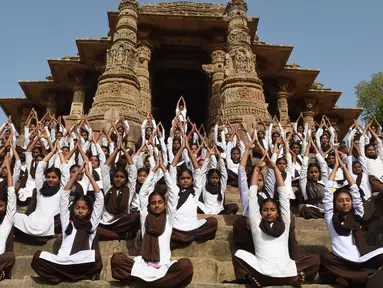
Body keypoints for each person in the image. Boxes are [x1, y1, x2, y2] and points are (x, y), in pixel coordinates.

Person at [111, 153, 194, 287]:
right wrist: (153, 171)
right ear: (149, 206)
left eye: (160, 202)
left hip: (163, 265)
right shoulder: (145, 217)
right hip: (142, 264)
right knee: (117, 259)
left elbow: (173, 194)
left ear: (165, 205)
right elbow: (143, 193)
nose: (156, 205)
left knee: (186, 265)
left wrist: (165, 171)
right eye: (153, 203)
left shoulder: (169, 218)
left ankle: (143, 283)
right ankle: (159, 284)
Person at [232, 153, 306, 287]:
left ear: (278, 213)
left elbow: (283, 195)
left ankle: (288, 279)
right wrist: (256, 170)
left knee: (314, 259)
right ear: (260, 212)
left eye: (272, 210)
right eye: (265, 210)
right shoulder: (256, 223)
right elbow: (252, 195)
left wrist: (275, 168)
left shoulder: (285, 223)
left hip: (284, 266)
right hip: (262, 268)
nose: (269, 213)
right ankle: (286, 279)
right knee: (238, 254)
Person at [31, 162, 104, 283]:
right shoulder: (66, 222)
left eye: (84, 208)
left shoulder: (92, 224)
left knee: (95, 257)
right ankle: (71, 276)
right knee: (38, 256)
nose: (80, 211)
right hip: (63, 261)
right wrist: (75, 176)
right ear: (73, 209)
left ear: (89, 210)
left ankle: (63, 276)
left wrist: (89, 176)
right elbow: (64, 195)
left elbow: (100, 199)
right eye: (77, 208)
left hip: (81, 261)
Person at [320, 151, 383, 288]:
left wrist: (344, 168)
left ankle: (352, 279)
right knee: (325, 259)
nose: (345, 203)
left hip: (361, 259)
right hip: (341, 261)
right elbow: (327, 193)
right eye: (341, 201)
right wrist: (335, 168)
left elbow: (355, 189)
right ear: (335, 204)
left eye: (348, 200)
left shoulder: (357, 216)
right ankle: (357, 279)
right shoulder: (331, 219)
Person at [14, 141, 69, 244]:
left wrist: (59, 152)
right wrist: (52, 152)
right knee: (13, 217)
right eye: (48, 177)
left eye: (54, 177)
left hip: (49, 223)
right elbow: (39, 168)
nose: (51, 180)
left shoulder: (62, 190)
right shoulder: (40, 188)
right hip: (34, 220)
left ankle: (46, 236)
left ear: (59, 179)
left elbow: (65, 171)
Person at [170, 138, 218, 250]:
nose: (185, 180)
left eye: (188, 178)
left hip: (193, 226)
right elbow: (172, 168)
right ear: (178, 181)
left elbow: (197, 170)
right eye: (182, 178)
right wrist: (182, 148)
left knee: (213, 222)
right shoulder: (174, 191)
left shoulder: (195, 192)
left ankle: (187, 237)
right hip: (176, 227)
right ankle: (187, 237)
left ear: (192, 180)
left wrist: (190, 152)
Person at [97, 142, 140, 240]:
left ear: (125, 179)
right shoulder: (108, 188)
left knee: (135, 217)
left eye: (122, 177)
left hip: (122, 222)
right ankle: (117, 235)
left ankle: (114, 234)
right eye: (116, 177)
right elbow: (105, 168)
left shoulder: (129, 189)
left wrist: (125, 151)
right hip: (107, 223)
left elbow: (133, 171)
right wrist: (116, 150)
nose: (119, 179)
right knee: (91, 227)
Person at [198, 146, 238, 215]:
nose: (214, 180)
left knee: (234, 206)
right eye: (212, 178)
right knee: (194, 203)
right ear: (208, 178)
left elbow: (224, 173)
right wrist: (208, 155)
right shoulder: (204, 185)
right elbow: (202, 172)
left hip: (219, 211)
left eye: (216, 178)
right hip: (206, 210)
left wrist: (219, 156)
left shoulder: (222, 186)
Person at [299, 140, 328, 219]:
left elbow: (323, 165)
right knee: (306, 210)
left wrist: (315, 148)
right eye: (311, 172)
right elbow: (304, 167)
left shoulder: (324, 182)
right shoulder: (304, 184)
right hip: (311, 208)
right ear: (308, 173)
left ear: (319, 173)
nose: (314, 174)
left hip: (325, 207)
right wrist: (308, 147)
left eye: (316, 172)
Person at [0, 156, 16, 280]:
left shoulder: (7, 219)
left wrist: (9, 169)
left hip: (1, 258)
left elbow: (11, 193)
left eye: (0, 206)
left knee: (10, 256)